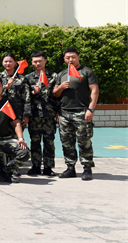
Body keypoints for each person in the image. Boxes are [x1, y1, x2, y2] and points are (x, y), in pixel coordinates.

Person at [53, 47, 99, 181]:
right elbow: (55, 94)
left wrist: (91, 109)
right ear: (64, 59)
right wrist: (61, 87)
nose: (70, 60)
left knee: (84, 141)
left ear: (78, 57)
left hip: (82, 112)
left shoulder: (87, 72)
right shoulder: (62, 74)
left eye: (73, 57)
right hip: (64, 113)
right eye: (67, 57)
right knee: (66, 142)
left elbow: (94, 91)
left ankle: (87, 168)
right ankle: (70, 168)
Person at [26, 51, 59, 176]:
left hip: (49, 114)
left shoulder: (54, 76)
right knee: (35, 142)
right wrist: (33, 93)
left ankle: (48, 167)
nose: (38, 63)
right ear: (32, 63)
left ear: (45, 61)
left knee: (49, 142)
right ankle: (35, 166)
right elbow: (25, 97)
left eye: (40, 61)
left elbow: (58, 96)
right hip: (35, 115)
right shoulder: (28, 78)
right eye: (35, 61)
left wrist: (58, 111)